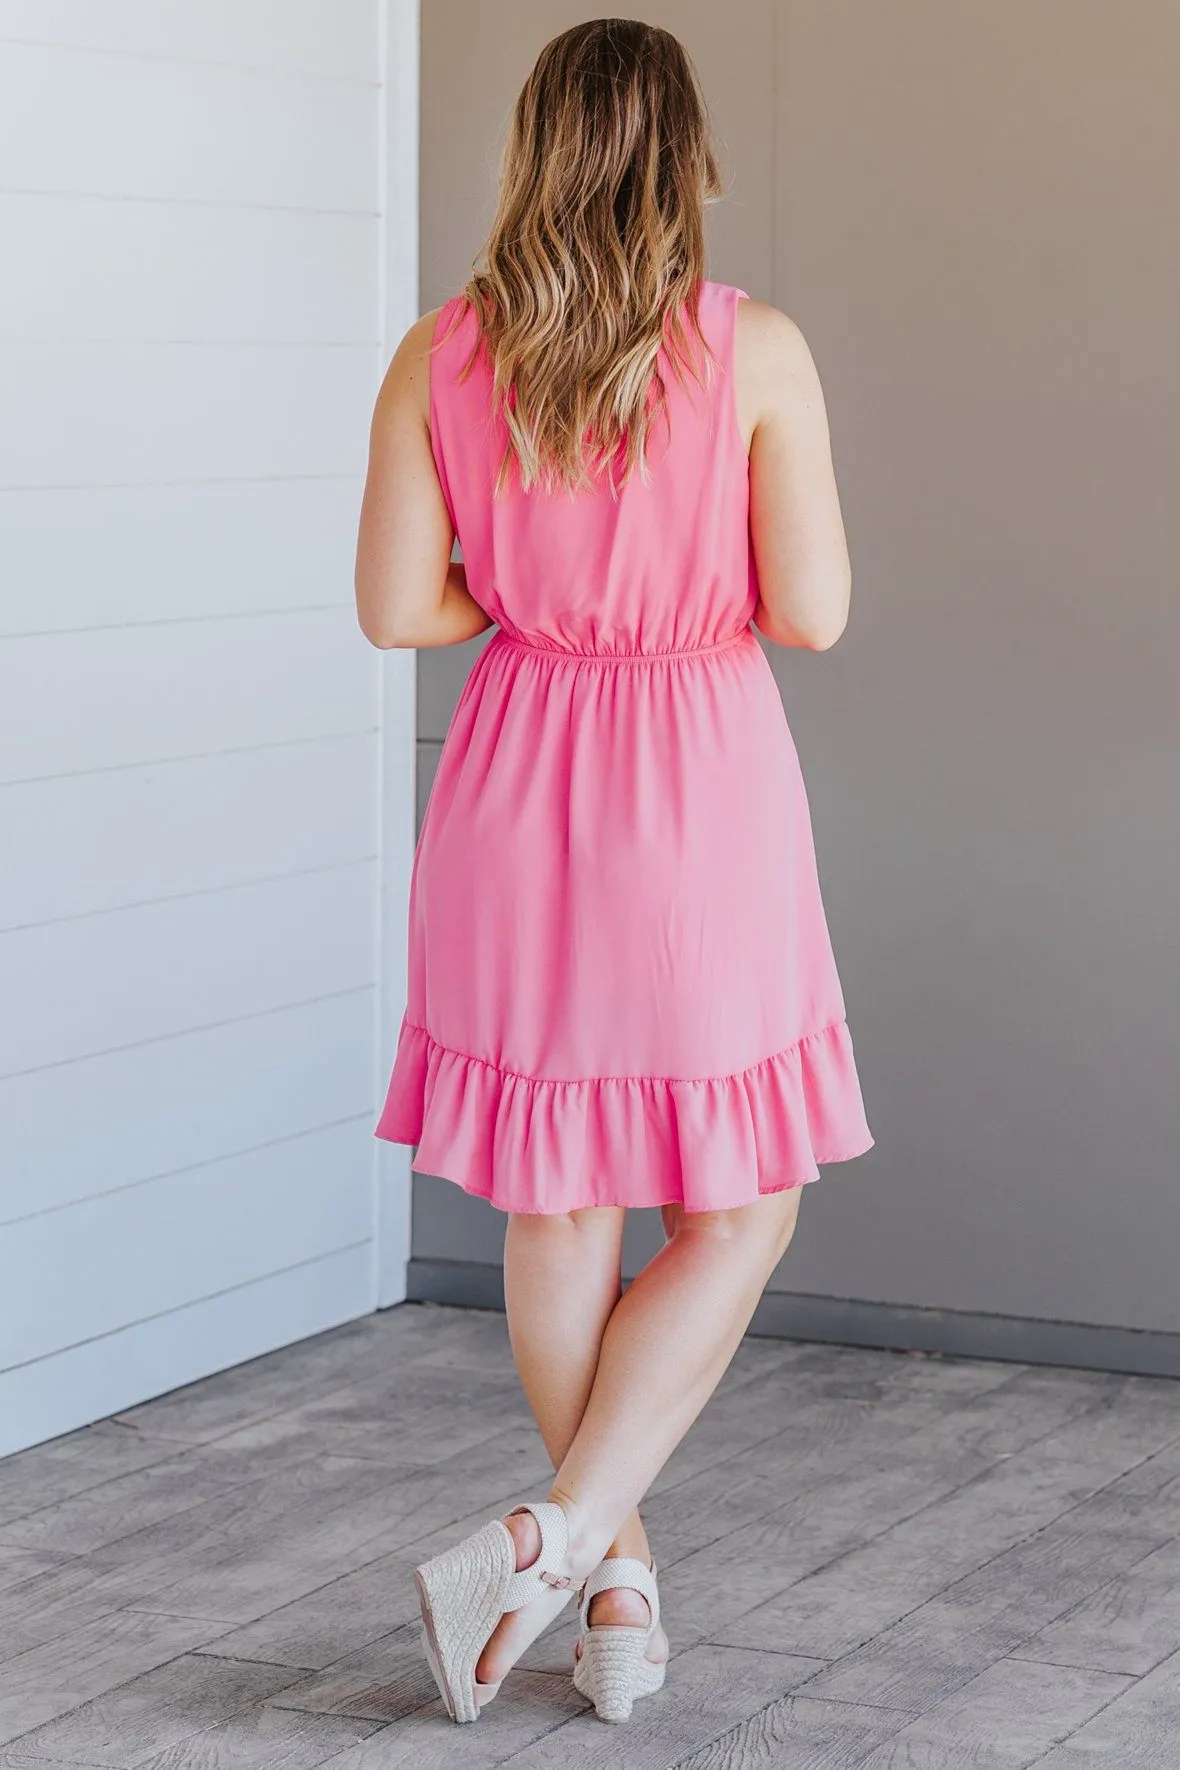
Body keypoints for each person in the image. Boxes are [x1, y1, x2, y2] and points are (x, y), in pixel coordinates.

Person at [354, 16, 873, 1729]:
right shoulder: (759, 350)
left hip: (514, 779)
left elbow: (397, 609)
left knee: (559, 1196)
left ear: (531, 153)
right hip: (700, 786)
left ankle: (611, 1576)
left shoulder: (439, 352)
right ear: (685, 159)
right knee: (743, 1201)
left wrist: (535, 601)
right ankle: (568, 1538)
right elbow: (811, 610)